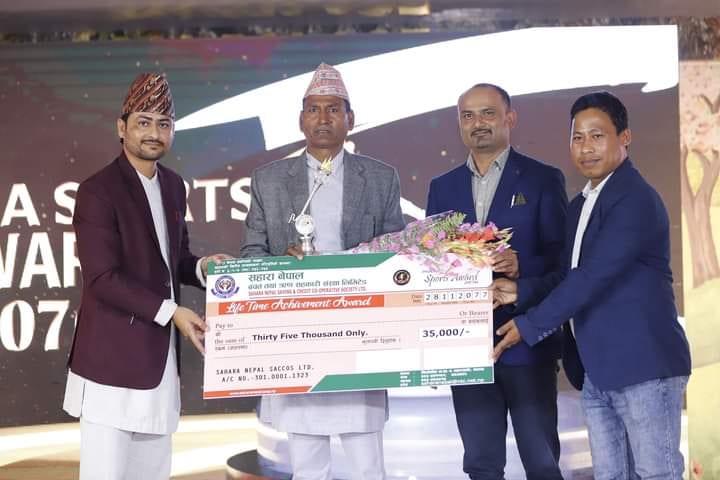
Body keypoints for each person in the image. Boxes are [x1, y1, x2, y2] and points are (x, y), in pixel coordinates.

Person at [493, 91, 691, 479]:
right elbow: (570, 275)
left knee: (657, 473)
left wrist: (529, 325)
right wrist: (521, 291)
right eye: (577, 138)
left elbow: (593, 277)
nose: (586, 148)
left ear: (624, 137)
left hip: (643, 367)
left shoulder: (634, 200)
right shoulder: (581, 205)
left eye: (597, 136)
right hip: (597, 371)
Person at [240, 63, 404, 480]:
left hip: (359, 333)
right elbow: (252, 255)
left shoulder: (380, 177)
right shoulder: (269, 180)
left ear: (351, 119)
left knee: (368, 468)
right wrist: (282, 264)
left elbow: (398, 255)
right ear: (301, 120)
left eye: (334, 109)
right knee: (308, 468)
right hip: (298, 337)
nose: (324, 118)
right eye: (314, 109)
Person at [63, 73, 230, 480]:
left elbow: (175, 260)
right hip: (110, 368)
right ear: (121, 128)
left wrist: (204, 268)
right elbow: (102, 278)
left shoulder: (172, 185)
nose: (154, 133)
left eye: (163, 123)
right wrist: (173, 312)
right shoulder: (98, 191)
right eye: (143, 122)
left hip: (157, 366)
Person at [425, 84, 567, 480]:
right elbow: (429, 266)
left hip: (526, 342)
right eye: (468, 115)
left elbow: (564, 263)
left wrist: (523, 266)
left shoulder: (543, 179)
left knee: (542, 462)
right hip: (466, 348)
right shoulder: (442, 187)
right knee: (481, 464)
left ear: (510, 118)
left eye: (488, 113)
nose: (478, 123)